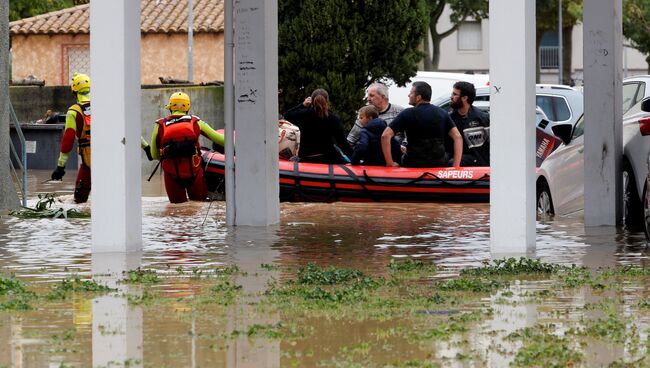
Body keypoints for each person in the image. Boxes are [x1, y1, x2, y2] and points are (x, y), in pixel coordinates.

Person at [150, 91, 225, 203]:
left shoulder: (159, 125)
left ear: (170, 107)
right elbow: (221, 140)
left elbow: (154, 155)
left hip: (171, 176)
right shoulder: (196, 122)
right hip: (195, 173)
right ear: (188, 107)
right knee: (198, 208)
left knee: (178, 212)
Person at [381, 81, 462, 168]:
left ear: (418, 97)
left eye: (411, 93)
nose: (408, 95)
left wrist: (390, 163)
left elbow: (385, 136)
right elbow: (458, 137)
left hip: (412, 164)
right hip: (438, 164)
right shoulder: (442, 113)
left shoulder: (407, 113)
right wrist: (456, 166)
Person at [50, 73, 93, 203]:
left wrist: (60, 167)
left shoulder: (73, 112)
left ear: (74, 92)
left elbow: (67, 142)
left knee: (79, 201)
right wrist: (145, 146)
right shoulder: (106, 106)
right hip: (110, 160)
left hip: (88, 162)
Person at [283, 89, 352, 164]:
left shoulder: (303, 114)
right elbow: (342, 143)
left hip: (307, 158)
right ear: (327, 101)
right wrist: (355, 159)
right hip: (328, 158)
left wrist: (303, 105)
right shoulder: (333, 119)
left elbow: (287, 115)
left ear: (311, 101)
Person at [347, 83, 404, 149]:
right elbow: (351, 139)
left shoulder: (399, 112)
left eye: (371, 95)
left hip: (397, 155)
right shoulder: (364, 114)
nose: (368, 99)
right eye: (367, 96)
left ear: (383, 97)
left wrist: (403, 148)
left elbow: (409, 136)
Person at [449, 81, 490, 166]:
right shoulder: (450, 118)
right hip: (457, 164)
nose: (451, 97)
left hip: (480, 167)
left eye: (455, 94)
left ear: (464, 98)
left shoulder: (483, 118)